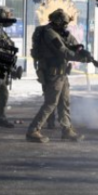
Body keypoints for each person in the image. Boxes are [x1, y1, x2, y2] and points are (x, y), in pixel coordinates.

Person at [26, 9, 88, 143]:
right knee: (51, 103)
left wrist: (82, 51)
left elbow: (73, 43)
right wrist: (81, 58)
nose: (65, 26)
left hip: (62, 73)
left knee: (64, 102)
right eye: (64, 23)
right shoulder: (49, 33)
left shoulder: (59, 32)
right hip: (53, 73)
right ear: (57, 22)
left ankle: (67, 130)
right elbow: (63, 51)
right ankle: (33, 130)